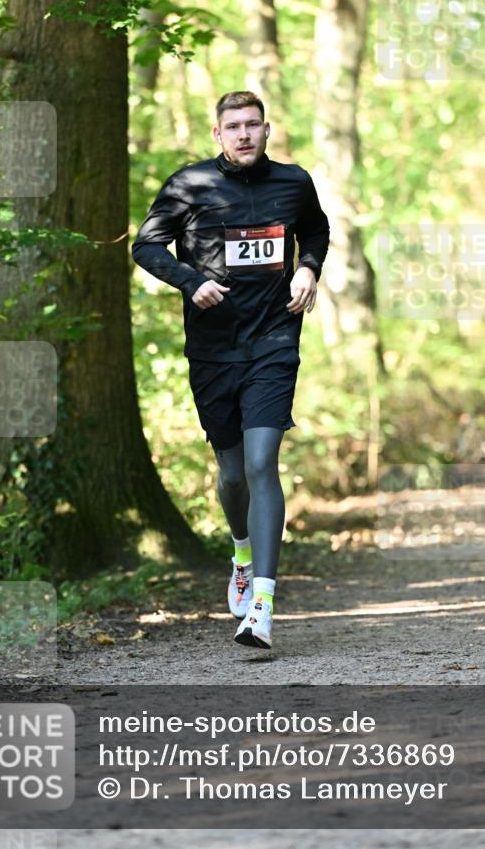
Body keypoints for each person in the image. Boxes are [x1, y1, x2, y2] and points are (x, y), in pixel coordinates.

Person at [132, 90, 330, 648]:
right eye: (233, 127)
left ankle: (262, 607)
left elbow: (315, 230)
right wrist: (192, 283)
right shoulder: (189, 185)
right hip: (215, 349)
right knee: (234, 473)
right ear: (217, 135)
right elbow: (146, 247)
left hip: (274, 339)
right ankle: (241, 551)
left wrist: (308, 269)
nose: (244, 134)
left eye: (253, 125)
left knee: (264, 461)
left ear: (268, 130)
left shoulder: (294, 182)